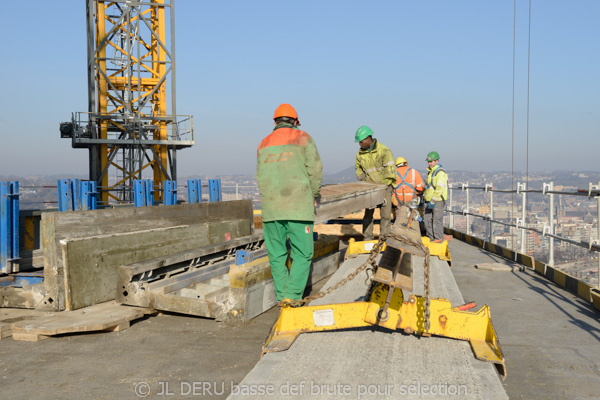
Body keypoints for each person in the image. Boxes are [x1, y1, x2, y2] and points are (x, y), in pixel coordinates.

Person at [257, 103, 323, 302]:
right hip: (298, 209)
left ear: (275, 121)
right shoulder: (303, 138)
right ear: (295, 121)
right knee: (302, 254)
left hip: (271, 211)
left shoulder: (263, 143)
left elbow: (260, 176)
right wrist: (313, 195)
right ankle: (292, 298)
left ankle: (281, 298)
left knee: (277, 256)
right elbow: (315, 171)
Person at [354, 126, 395, 240]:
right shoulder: (360, 154)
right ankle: (367, 238)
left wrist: (383, 185)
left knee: (385, 215)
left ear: (368, 139)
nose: (359, 144)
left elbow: (389, 169)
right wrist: (363, 182)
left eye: (361, 141)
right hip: (370, 188)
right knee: (368, 215)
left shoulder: (384, 150)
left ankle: (384, 239)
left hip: (385, 186)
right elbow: (358, 168)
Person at [423, 151, 448, 243]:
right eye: (428, 162)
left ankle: (438, 238)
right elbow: (429, 187)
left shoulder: (440, 172)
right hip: (429, 199)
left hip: (437, 200)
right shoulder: (431, 172)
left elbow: (439, 188)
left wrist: (433, 200)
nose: (429, 163)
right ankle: (431, 237)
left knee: (436, 220)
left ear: (436, 161)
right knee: (427, 219)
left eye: (431, 162)